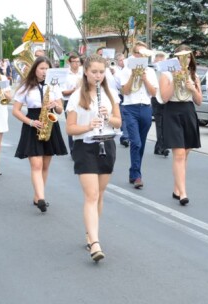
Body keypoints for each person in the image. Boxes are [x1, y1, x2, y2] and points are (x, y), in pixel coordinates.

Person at [65, 54, 121, 262]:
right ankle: (95, 243)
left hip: (106, 143)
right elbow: (70, 129)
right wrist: (88, 125)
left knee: (100, 194)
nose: (98, 76)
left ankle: (91, 233)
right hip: (85, 146)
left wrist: (108, 117)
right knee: (91, 194)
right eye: (94, 72)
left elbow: (119, 123)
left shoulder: (110, 94)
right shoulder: (77, 96)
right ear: (85, 72)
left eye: (101, 72)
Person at [12, 56, 68, 213]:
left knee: (44, 165)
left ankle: (38, 196)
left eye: (47, 69)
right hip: (32, 123)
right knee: (36, 164)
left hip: (50, 123)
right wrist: (30, 122)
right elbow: (15, 111)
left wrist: (55, 105)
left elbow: (60, 110)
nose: (44, 72)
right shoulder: (26, 87)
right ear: (35, 69)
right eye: (42, 68)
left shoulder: (54, 86)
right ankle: (41, 198)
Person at [159, 45, 202, 205]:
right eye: (181, 57)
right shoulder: (166, 74)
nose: (185, 60)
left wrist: (193, 88)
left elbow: (198, 101)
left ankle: (177, 188)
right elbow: (164, 97)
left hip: (188, 111)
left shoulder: (194, 75)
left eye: (188, 57)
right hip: (172, 111)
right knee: (178, 154)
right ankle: (183, 192)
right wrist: (175, 81)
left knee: (185, 154)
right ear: (175, 59)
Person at [116, 41, 158, 189]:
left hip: (146, 108)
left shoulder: (151, 72)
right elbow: (125, 91)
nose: (143, 57)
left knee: (142, 144)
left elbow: (153, 93)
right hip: (130, 108)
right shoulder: (125, 71)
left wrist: (145, 78)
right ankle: (137, 175)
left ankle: (134, 172)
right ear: (134, 55)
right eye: (140, 53)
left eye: (145, 54)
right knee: (136, 142)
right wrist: (134, 75)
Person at [61, 52, 84, 153]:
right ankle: (73, 149)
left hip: (83, 101)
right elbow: (63, 92)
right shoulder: (65, 74)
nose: (76, 64)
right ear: (69, 62)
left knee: (83, 124)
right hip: (69, 101)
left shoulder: (84, 72)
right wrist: (74, 90)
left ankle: (82, 148)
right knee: (72, 125)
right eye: (74, 62)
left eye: (78, 61)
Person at [152, 52, 169, 156]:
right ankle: (162, 148)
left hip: (166, 98)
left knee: (165, 124)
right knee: (159, 124)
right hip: (156, 98)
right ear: (155, 60)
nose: (161, 63)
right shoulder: (152, 70)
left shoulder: (167, 71)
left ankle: (159, 146)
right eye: (159, 60)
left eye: (163, 61)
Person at [114, 52, 129, 147]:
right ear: (117, 62)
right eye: (120, 60)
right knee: (123, 116)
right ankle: (125, 137)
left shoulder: (128, 69)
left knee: (127, 117)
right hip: (119, 95)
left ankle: (126, 136)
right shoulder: (115, 70)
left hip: (127, 94)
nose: (122, 61)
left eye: (124, 59)